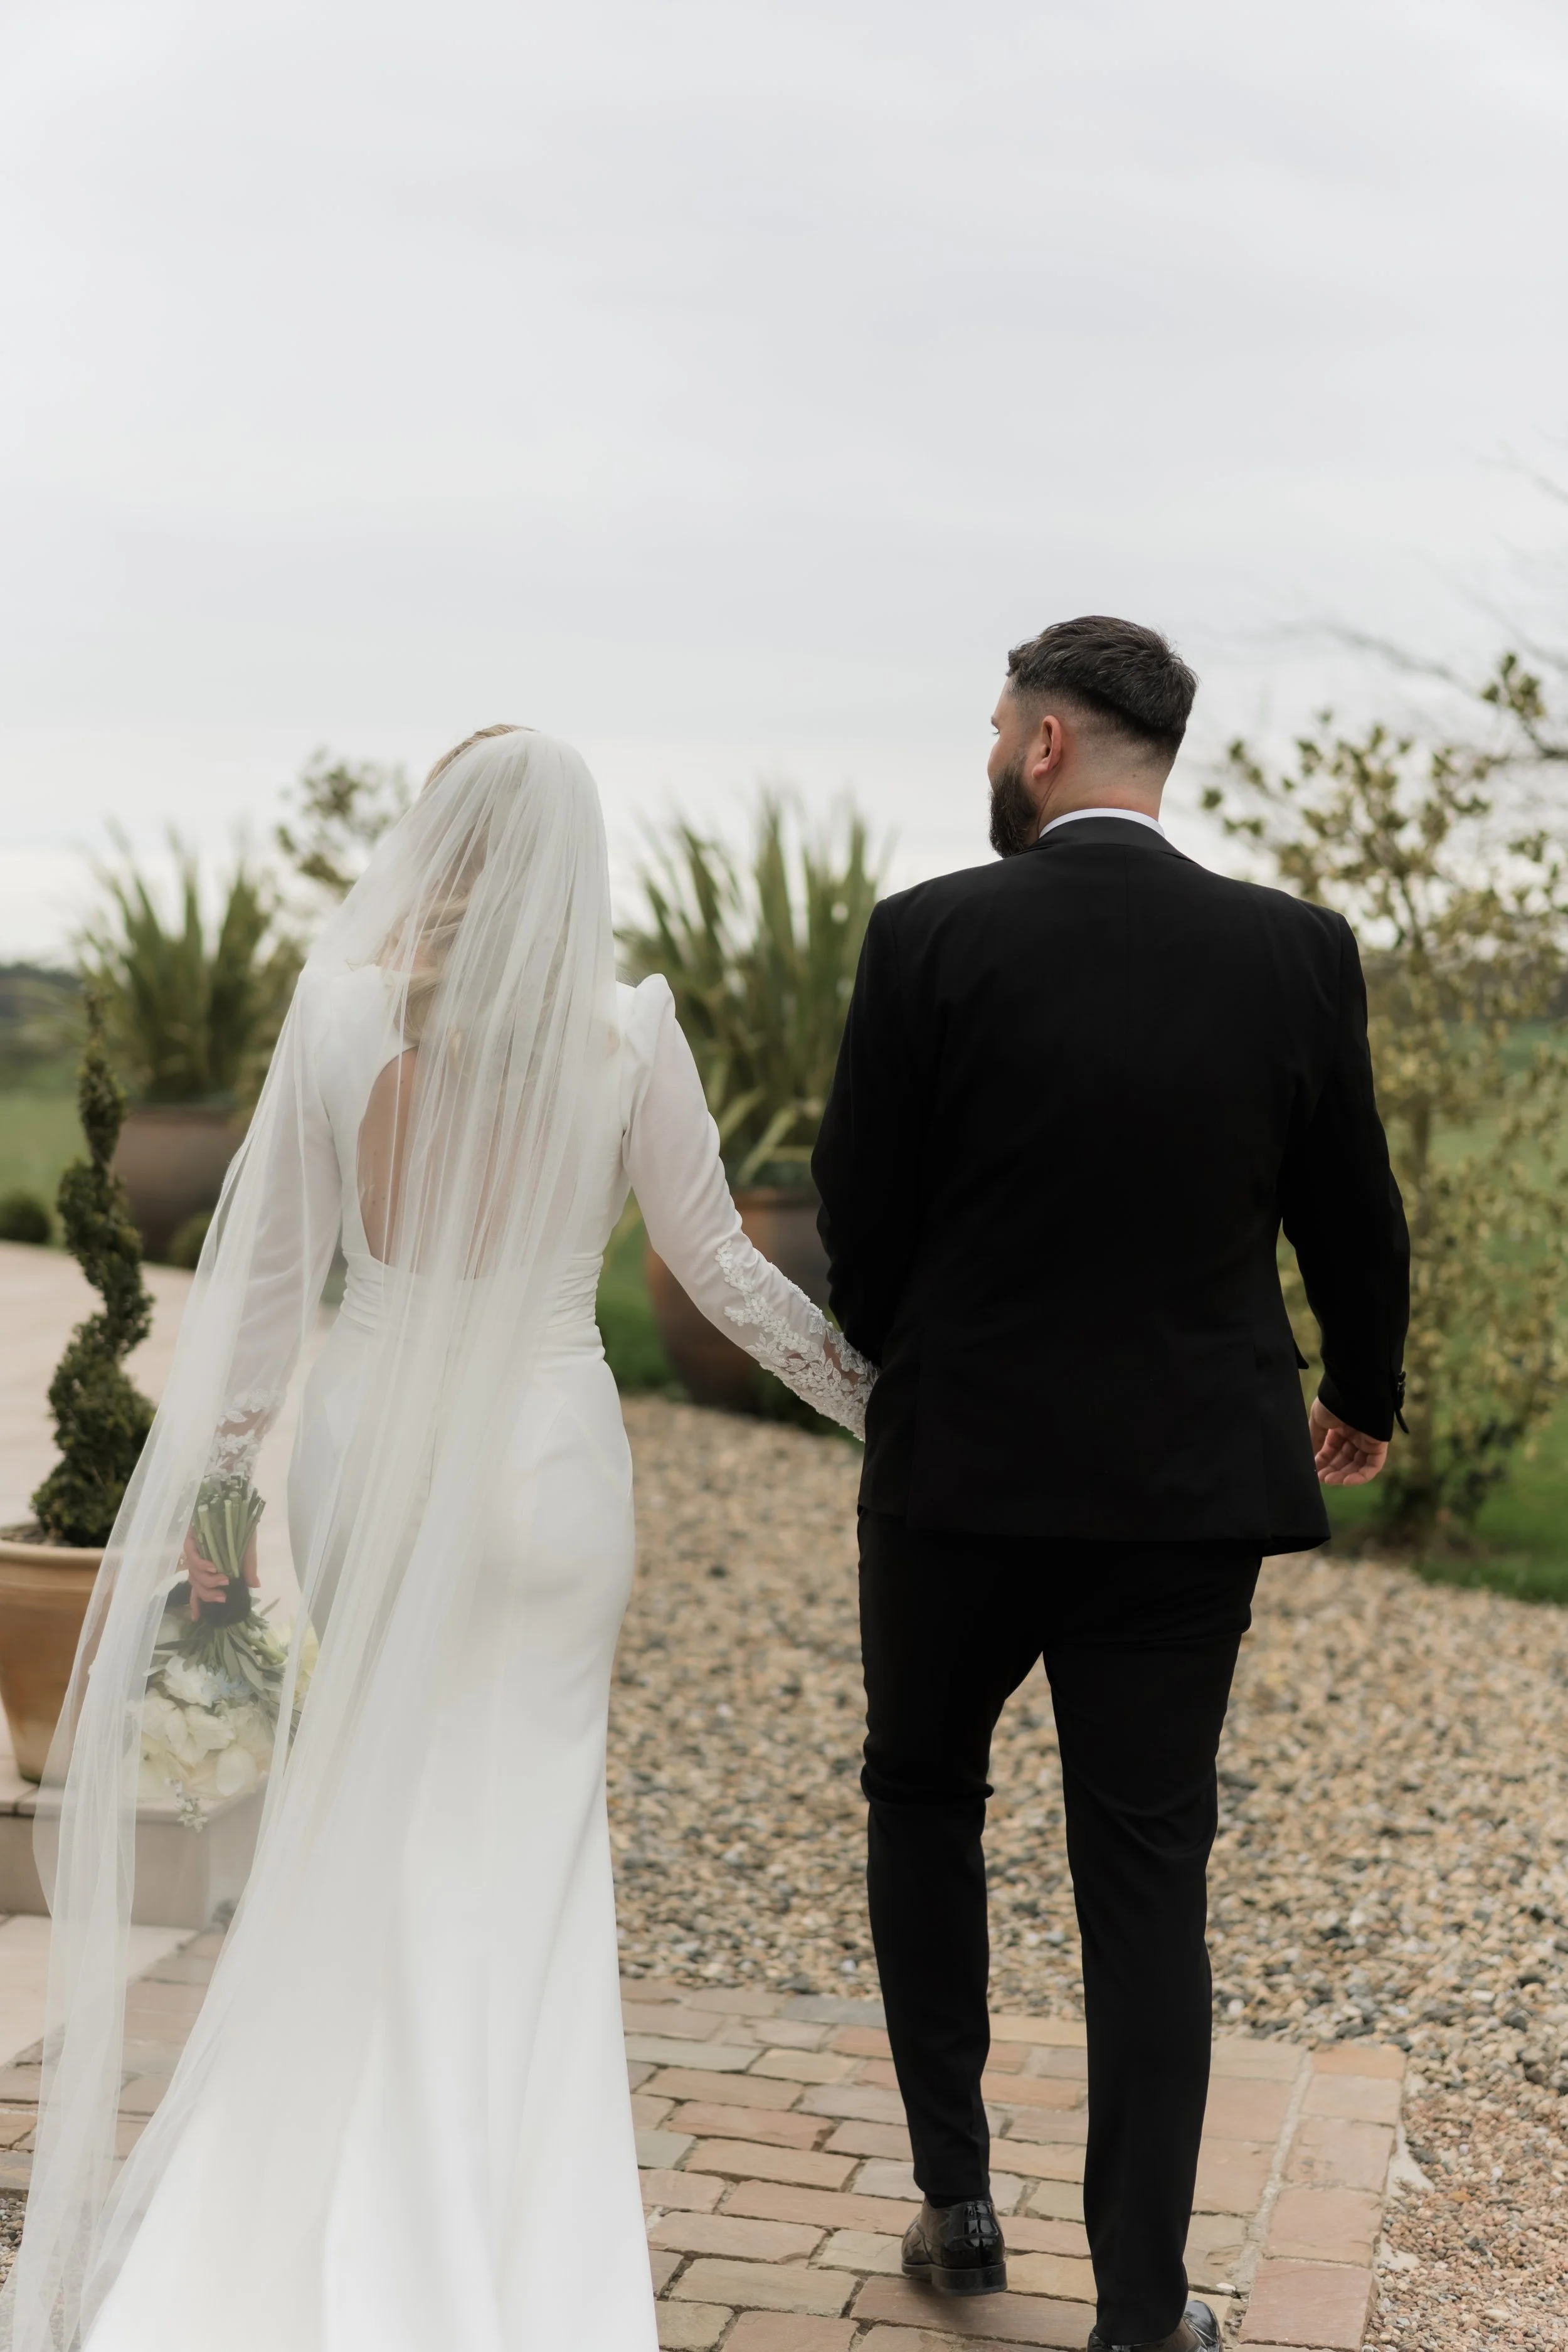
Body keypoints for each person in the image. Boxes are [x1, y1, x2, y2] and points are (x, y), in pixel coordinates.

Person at [1, 726, 873, 2352]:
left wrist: (208, 1547)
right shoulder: (625, 1038)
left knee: (370, 1819)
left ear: (431, 846)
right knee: (531, 1853)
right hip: (548, 1476)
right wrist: (881, 1401)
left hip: (372, 1453)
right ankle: (520, 2259)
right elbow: (727, 1278)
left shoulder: (338, 1015)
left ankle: (342, 2229)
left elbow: (259, 1321)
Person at [812, 616, 1409, 2352]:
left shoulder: (925, 935)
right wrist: (1360, 1389)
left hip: (958, 1476)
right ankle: (1140, 2315)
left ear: (1050, 746)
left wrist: (913, 1357)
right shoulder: (1292, 950)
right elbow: (1351, 1212)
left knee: (920, 1792)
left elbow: (861, 1211)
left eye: (1000, 727)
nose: (991, 752)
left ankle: (956, 2192)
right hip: (1180, 1489)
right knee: (1145, 1871)